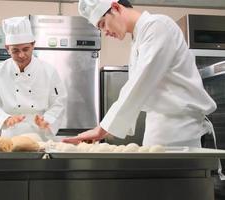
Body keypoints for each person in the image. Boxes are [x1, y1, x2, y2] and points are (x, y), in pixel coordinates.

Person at [63, 0, 217, 147]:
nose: (105, 32)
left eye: (103, 24)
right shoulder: (138, 38)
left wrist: (102, 129)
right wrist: (106, 130)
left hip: (181, 129)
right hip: (158, 126)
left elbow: (140, 83)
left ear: (116, 7)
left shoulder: (158, 26)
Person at [0, 16, 67, 141]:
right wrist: (5, 119)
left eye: (26, 49)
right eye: (15, 51)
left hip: (40, 135)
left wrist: (47, 120)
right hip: (10, 135)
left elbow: (59, 102)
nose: (21, 55)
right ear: (7, 48)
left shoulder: (48, 71)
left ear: (33, 45)